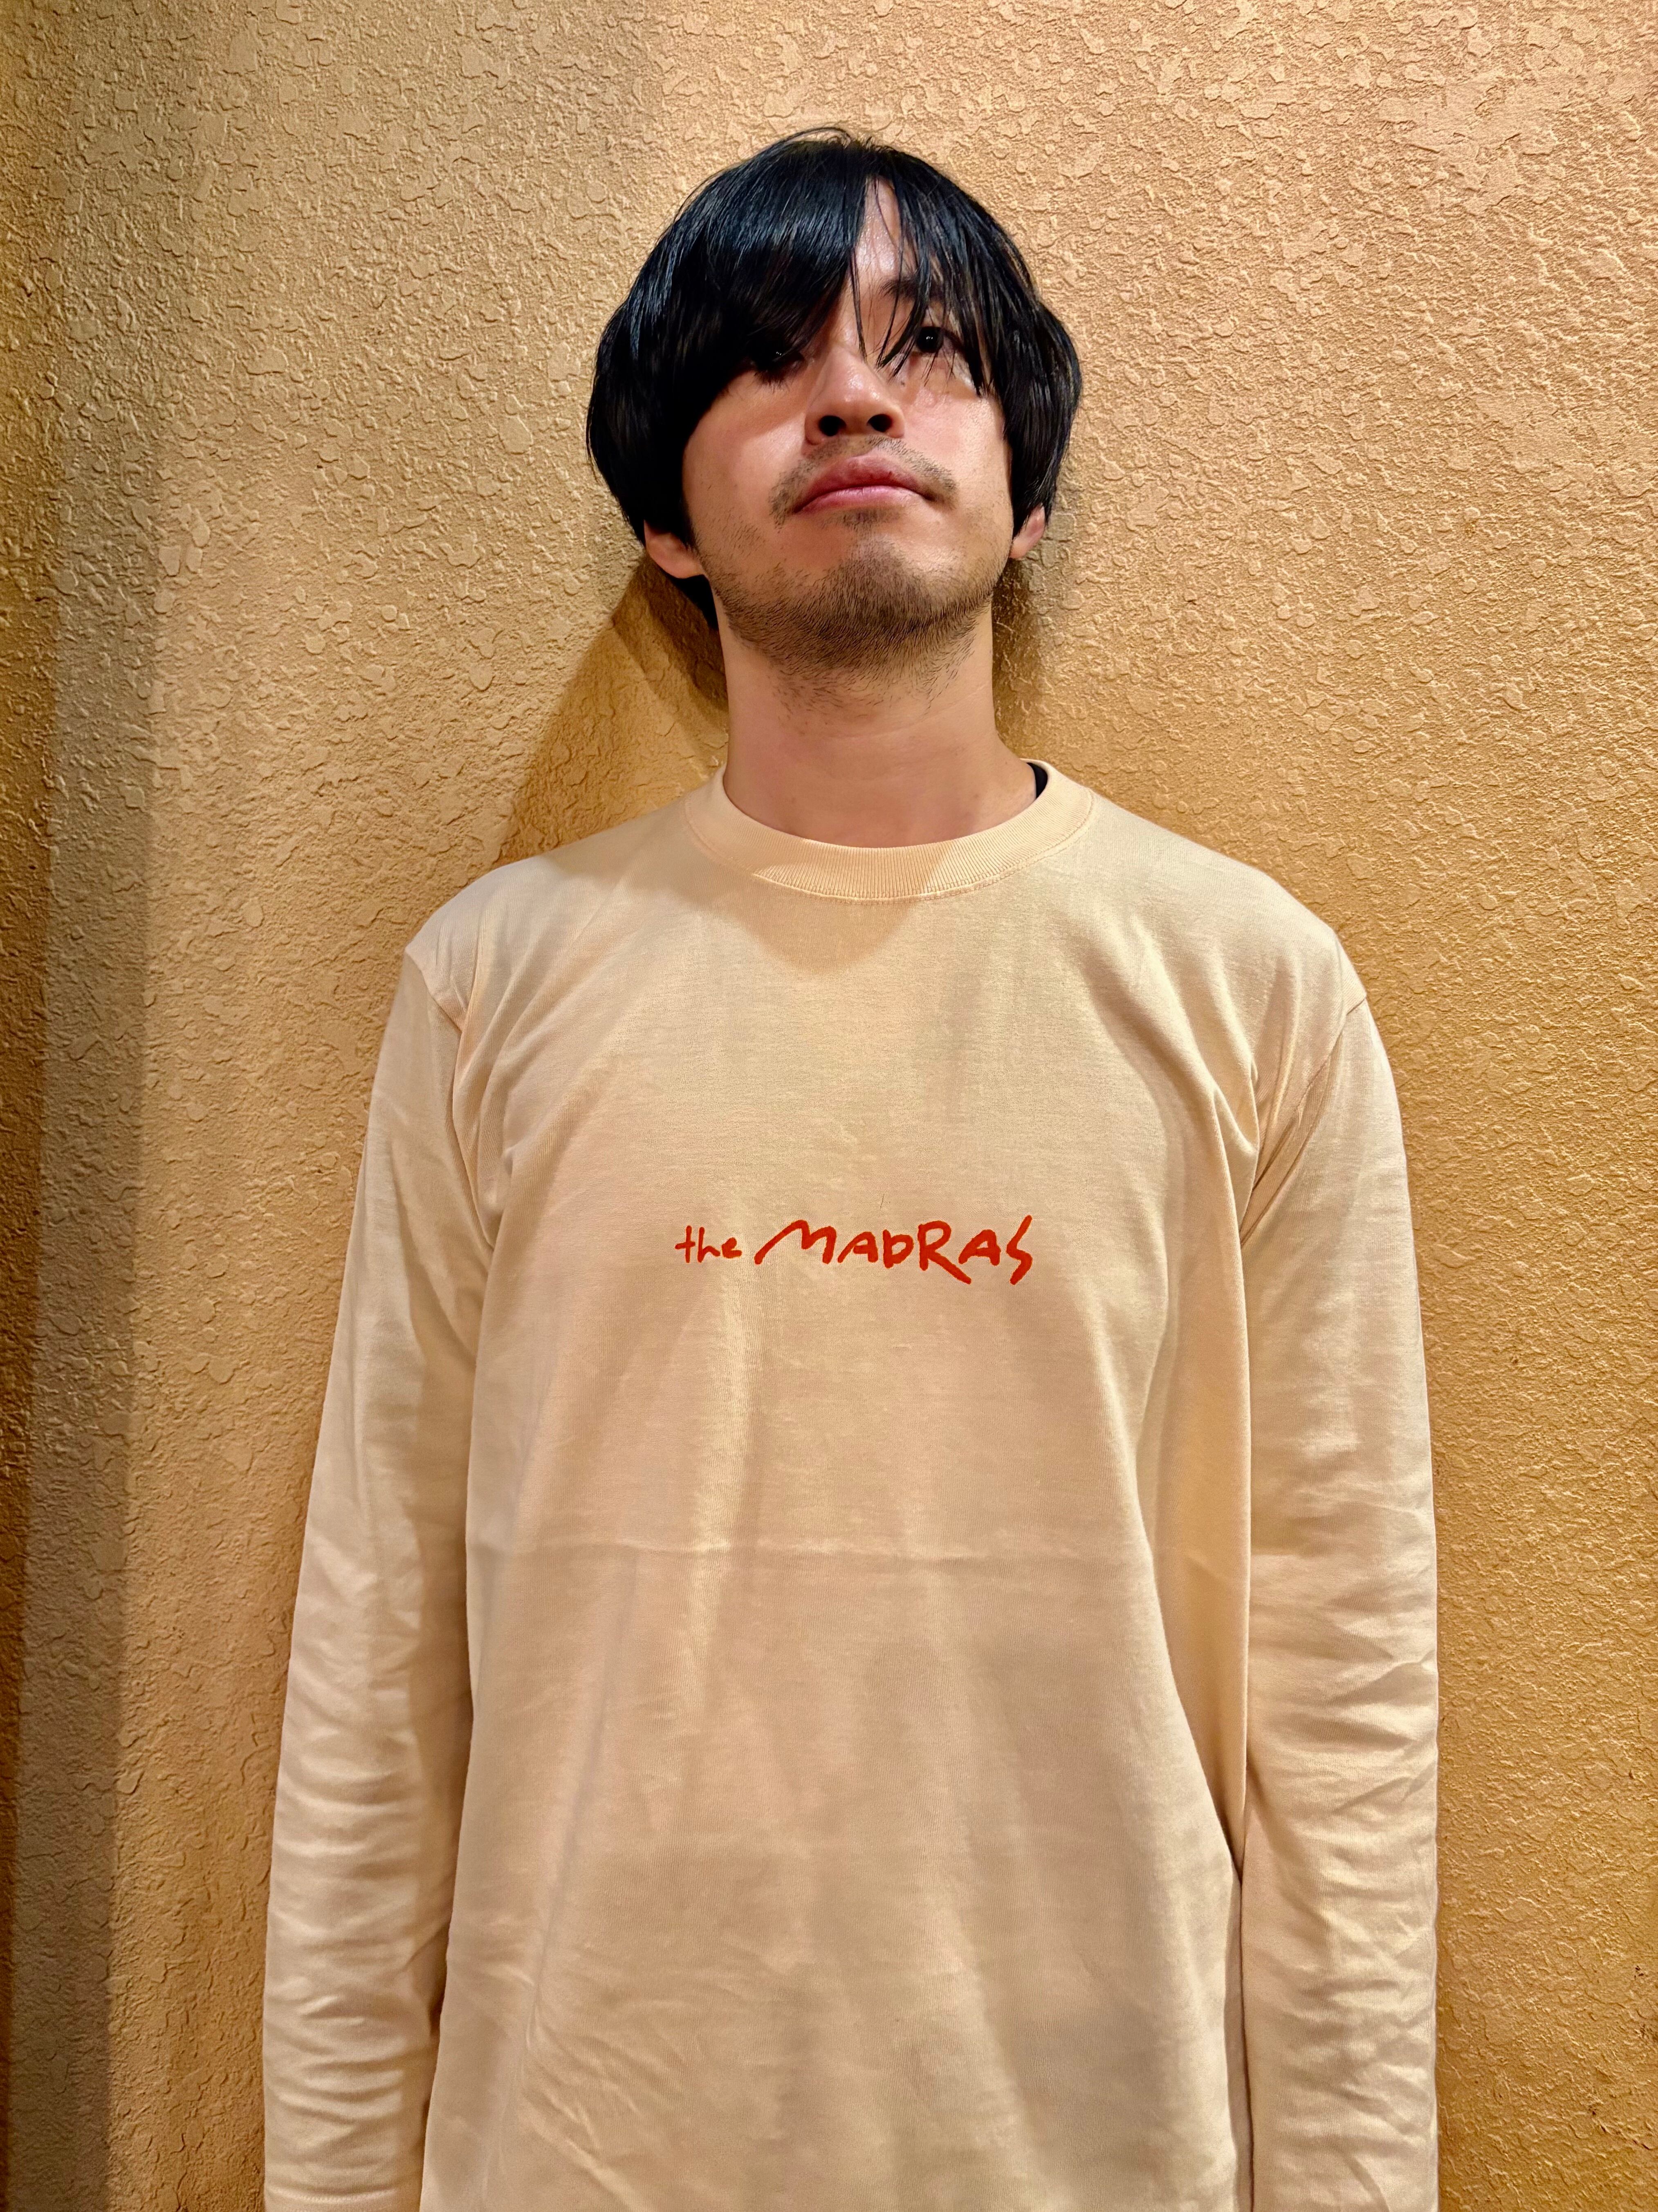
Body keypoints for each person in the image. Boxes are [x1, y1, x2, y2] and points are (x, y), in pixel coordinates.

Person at [262, 127, 1439, 2212]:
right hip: (581, 2147)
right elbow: (378, 1651)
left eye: (930, 350)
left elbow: (1346, 1692)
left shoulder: (1251, 984)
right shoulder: (494, 983)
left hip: (1101, 2143)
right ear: (665, 518)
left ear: (1028, 490)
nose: (854, 398)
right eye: (770, 357)